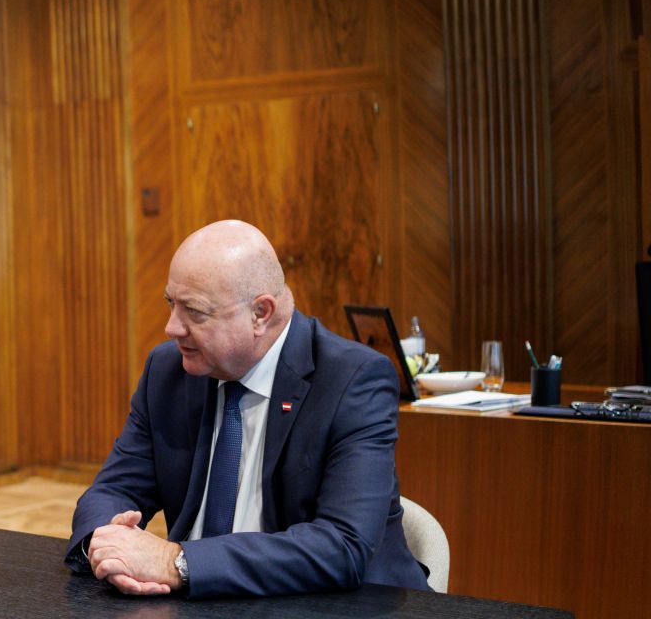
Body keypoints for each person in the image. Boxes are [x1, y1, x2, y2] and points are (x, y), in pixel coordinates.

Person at [67, 220, 429, 597]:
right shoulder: (169, 370)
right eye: (171, 303)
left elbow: (341, 546)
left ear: (260, 313)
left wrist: (178, 562)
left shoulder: (351, 379)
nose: (172, 327)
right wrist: (109, 546)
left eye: (194, 311)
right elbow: (113, 488)